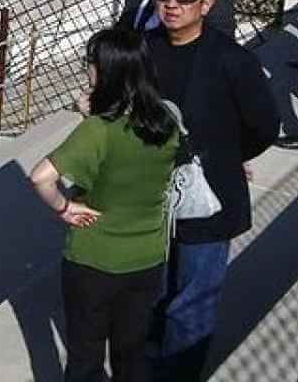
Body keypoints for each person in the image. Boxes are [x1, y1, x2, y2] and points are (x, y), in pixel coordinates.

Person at [144, 0, 280, 381]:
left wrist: (224, 157)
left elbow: (263, 126)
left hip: (209, 202)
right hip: (151, 202)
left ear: (206, 4)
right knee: (154, 296)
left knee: (192, 303)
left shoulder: (233, 61)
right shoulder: (142, 52)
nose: (172, 3)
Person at [30, 29, 178, 382]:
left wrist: (64, 208)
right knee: (132, 355)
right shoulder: (167, 122)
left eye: (91, 65)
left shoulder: (98, 130)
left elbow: (40, 178)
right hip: (147, 257)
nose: (87, 72)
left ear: (107, 71)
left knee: (86, 357)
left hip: (93, 259)